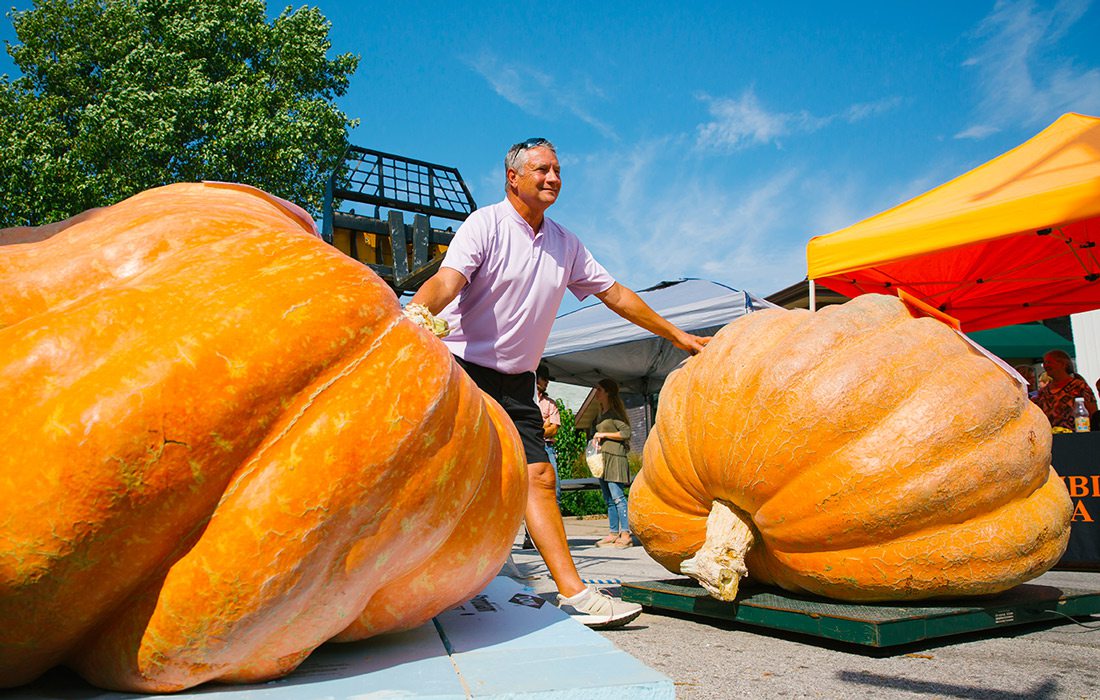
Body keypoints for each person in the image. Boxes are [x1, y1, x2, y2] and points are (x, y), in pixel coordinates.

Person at [406, 137, 709, 629]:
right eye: (542, 170)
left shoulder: (566, 243)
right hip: (463, 369)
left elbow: (616, 295)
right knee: (447, 476)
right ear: (514, 177)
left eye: (557, 171)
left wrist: (676, 335)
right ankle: (408, 575)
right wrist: (417, 314)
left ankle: (576, 595)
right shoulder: (485, 224)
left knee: (539, 477)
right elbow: (448, 280)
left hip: (518, 381)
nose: (552, 179)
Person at [521, 364, 561, 549]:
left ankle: (551, 537)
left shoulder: (549, 403)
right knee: (524, 493)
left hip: (546, 447)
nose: (546, 384)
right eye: (545, 379)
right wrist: (541, 427)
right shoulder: (525, 400)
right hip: (527, 447)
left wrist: (535, 430)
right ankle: (530, 535)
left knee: (553, 490)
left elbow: (554, 428)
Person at [591, 379, 634, 549]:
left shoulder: (615, 413)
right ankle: (613, 533)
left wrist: (604, 435)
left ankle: (626, 534)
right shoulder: (602, 413)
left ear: (607, 392)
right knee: (609, 499)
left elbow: (626, 432)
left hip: (616, 458)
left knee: (617, 497)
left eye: (599, 389)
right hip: (604, 459)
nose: (596, 393)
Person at [1032, 350, 1097, 430]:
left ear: (1063, 364)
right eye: (1044, 363)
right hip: (1051, 438)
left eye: (1049, 362)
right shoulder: (1043, 392)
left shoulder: (1080, 386)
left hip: (1077, 437)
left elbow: (1093, 414)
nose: (1045, 366)